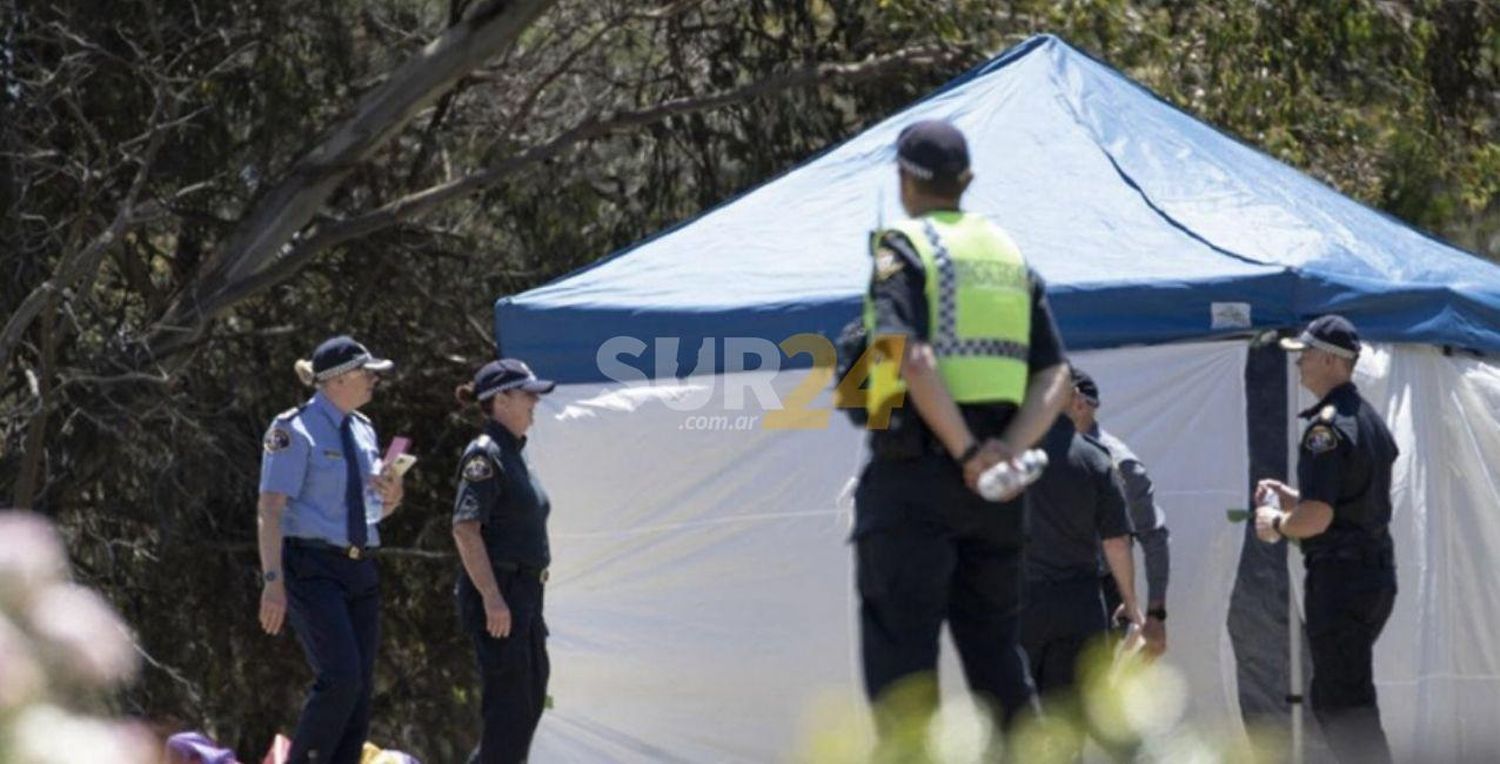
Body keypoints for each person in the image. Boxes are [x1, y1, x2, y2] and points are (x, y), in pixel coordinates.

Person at [852, 119, 1071, 746]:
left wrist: (967, 451)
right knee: (997, 660)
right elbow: (1055, 372)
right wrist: (1005, 450)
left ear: (904, 179)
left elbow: (908, 356)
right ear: (965, 181)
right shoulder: (1007, 253)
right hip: (997, 491)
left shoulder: (901, 247)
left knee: (904, 674)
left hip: (916, 476)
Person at [1254, 315, 1398, 764]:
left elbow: (1317, 519)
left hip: (1342, 579)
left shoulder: (1326, 429)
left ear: (1333, 362)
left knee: (1342, 704)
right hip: (1370, 574)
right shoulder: (1365, 418)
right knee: (1344, 695)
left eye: (1306, 355)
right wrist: (1297, 497)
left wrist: (1276, 523)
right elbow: (1346, 502)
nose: (1299, 364)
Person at [257, 335, 404, 764]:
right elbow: (270, 507)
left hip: (360, 567)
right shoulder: (293, 428)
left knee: (359, 687)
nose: (375, 381)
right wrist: (272, 582)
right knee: (339, 678)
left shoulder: (363, 429)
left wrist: (393, 493)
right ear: (337, 380)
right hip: (311, 566)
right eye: (367, 373)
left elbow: (373, 510)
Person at [451, 358, 557, 763]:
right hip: (502, 595)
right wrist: (493, 597)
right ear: (501, 400)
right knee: (508, 713)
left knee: (528, 702)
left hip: (526, 595)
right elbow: (465, 528)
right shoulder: (486, 455)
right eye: (527, 393)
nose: (534, 401)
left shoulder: (515, 453)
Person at [1021, 384, 1140, 702]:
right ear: (1074, 402)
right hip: (1079, 604)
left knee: (1018, 718)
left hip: (1020, 602)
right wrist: (1131, 604)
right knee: (1069, 718)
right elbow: (1116, 541)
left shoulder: (1007, 458)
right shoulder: (1096, 458)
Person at [1065, 369, 1171, 657]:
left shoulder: (1119, 464)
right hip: (1041, 589)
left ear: (1079, 404)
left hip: (1096, 592)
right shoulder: (1039, 453)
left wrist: (1154, 614)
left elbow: (1151, 536)